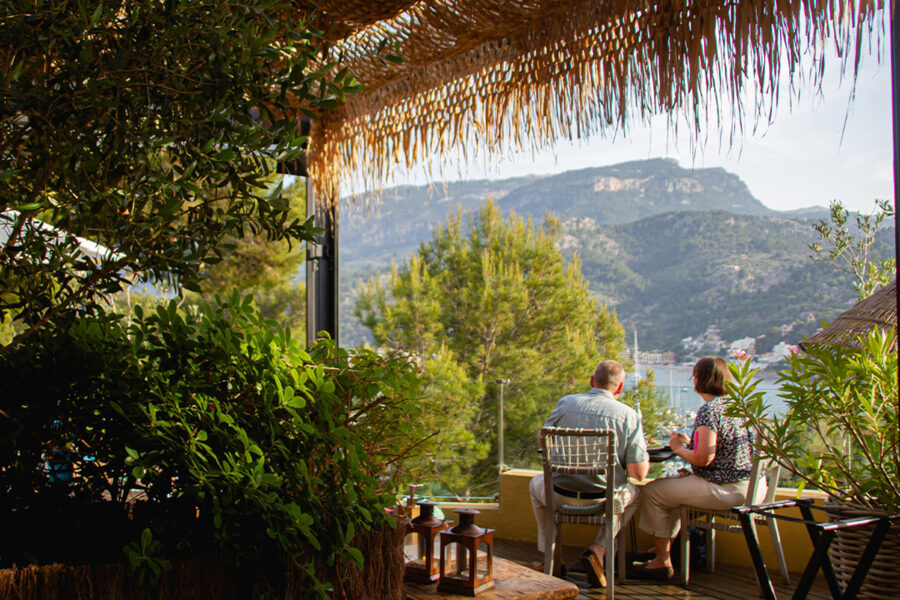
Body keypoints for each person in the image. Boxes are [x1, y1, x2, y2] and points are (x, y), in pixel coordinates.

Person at [633, 356, 760, 580]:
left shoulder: (709, 411)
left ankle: (662, 561)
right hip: (752, 487)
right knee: (671, 495)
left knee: (654, 491)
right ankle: (664, 551)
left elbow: (703, 459)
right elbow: (723, 448)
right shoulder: (739, 405)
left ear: (699, 380)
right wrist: (691, 443)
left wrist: (677, 448)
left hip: (725, 489)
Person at [529, 360, 649, 587]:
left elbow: (542, 439)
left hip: (559, 495)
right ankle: (600, 548)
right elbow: (639, 473)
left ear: (592, 381)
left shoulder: (566, 403)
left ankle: (551, 558)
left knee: (535, 485)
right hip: (603, 500)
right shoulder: (628, 415)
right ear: (620, 388)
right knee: (634, 494)